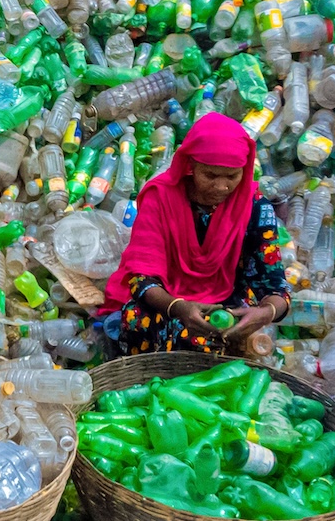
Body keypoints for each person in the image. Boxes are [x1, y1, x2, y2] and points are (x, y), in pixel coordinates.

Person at [100, 111, 290, 355]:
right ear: (191, 166)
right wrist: (178, 307)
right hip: (167, 299)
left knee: (240, 335)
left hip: (227, 301)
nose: (222, 187)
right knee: (145, 320)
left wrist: (265, 313)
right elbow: (142, 277)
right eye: (210, 175)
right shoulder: (161, 199)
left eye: (232, 176)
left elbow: (274, 284)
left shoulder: (255, 207)